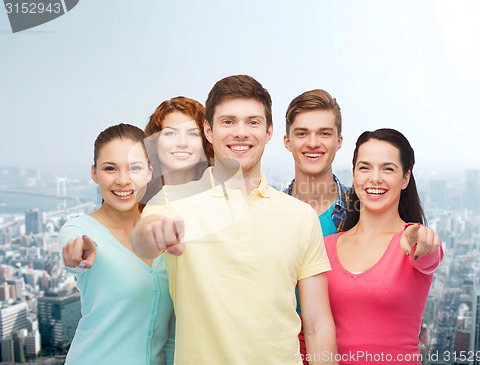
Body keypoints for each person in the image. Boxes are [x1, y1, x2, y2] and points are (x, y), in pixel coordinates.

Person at [131, 75, 339, 365]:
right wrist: (154, 233)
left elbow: (317, 324)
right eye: (228, 122)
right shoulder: (172, 201)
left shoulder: (301, 217)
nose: (241, 132)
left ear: (269, 132)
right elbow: (142, 238)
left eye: (253, 122)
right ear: (209, 131)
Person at [319, 128, 443, 364]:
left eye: (388, 168)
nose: (374, 178)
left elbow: (430, 254)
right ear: (354, 174)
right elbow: (308, 334)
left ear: (405, 178)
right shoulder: (324, 246)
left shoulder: (413, 242)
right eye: (364, 167)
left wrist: (419, 236)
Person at [58, 124, 175, 365]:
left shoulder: (164, 231)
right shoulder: (80, 230)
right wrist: (76, 258)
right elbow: (74, 254)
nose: (123, 180)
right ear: (94, 173)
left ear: (149, 172)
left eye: (135, 168)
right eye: (110, 169)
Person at [283, 89, 348, 237]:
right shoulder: (268, 213)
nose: (313, 143)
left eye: (324, 133)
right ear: (288, 142)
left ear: (338, 142)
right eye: (302, 134)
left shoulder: (364, 208)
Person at [140, 97, 214, 207]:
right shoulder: (134, 200)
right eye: (170, 133)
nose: (182, 143)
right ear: (155, 142)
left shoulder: (222, 197)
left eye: (192, 134)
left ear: (204, 142)